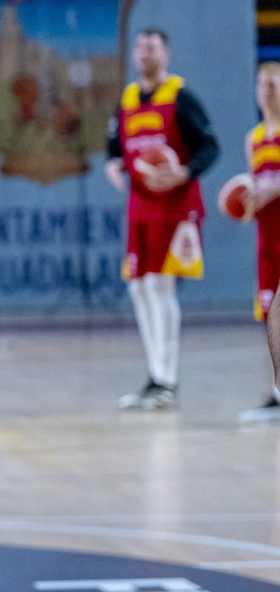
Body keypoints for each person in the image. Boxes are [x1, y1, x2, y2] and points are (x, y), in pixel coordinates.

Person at [106, 28, 219, 411]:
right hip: (140, 205)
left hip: (175, 205)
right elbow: (114, 145)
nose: (144, 53)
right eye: (139, 46)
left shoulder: (181, 96)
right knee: (138, 289)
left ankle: (167, 381)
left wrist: (184, 172)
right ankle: (155, 376)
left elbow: (210, 146)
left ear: (165, 55)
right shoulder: (126, 99)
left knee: (160, 287)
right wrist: (113, 163)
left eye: (151, 47)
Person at [241, 63, 280, 420]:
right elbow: (256, 191)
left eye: (273, 83)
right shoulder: (253, 138)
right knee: (271, 319)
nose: (266, 89)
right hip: (267, 243)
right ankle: (277, 393)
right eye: (261, 84)